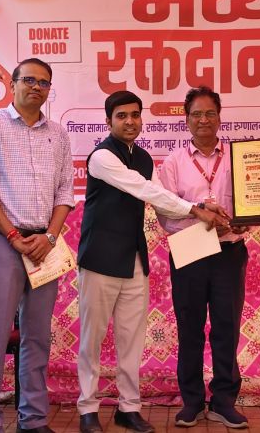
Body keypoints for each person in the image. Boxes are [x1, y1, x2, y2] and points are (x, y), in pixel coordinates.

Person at [77, 90, 226, 433]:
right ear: (108, 121)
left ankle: (128, 408)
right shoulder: (101, 157)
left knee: (132, 338)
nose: (130, 122)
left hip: (133, 259)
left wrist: (205, 211)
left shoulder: (143, 157)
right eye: (121, 116)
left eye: (135, 115)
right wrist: (196, 210)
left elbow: (163, 201)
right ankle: (87, 408)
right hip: (99, 258)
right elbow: (144, 190)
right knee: (92, 338)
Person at [0, 58, 75, 433]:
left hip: (46, 246)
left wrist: (50, 237)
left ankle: (33, 420)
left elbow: (65, 192)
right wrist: (14, 236)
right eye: (29, 80)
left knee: (37, 337)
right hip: (4, 244)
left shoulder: (58, 134)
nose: (36, 87)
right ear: (12, 84)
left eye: (44, 83)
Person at [155, 86, 249, 429]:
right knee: (190, 328)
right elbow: (165, 214)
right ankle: (192, 402)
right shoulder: (173, 163)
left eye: (210, 113)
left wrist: (244, 219)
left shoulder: (239, 156)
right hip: (190, 251)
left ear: (220, 117)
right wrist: (201, 217)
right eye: (196, 114)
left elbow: (252, 202)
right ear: (187, 119)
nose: (203, 120)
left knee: (227, 327)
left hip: (229, 252)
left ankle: (224, 402)